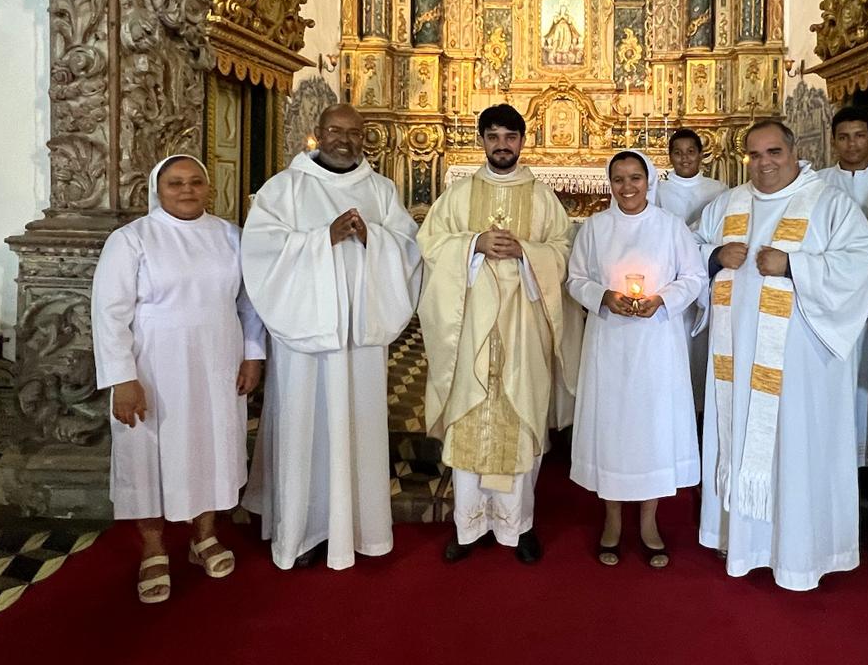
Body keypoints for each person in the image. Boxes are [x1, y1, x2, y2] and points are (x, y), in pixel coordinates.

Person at [696, 121, 868, 591]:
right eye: (754, 154)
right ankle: (744, 541)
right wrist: (715, 256)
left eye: (773, 152)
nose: (764, 163)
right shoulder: (727, 204)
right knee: (740, 437)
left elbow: (859, 264)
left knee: (797, 447)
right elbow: (686, 252)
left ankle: (800, 552)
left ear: (794, 152)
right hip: (737, 358)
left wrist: (793, 264)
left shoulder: (830, 204)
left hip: (801, 365)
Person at [240, 104, 421, 570]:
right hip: (306, 342)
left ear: (365, 138)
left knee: (357, 425)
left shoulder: (381, 190)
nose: (345, 140)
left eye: (354, 132)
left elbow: (409, 249)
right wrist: (323, 238)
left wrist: (373, 238)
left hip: (360, 340)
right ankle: (300, 532)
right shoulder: (285, 188)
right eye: (335, 131)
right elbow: (260, 253)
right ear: (317, 133)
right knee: (303, 425)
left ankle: (357, 528)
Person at [91, 155, 266, 603]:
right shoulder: (131, 239)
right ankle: (154, 547)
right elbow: (109, 314)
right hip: (153, 365)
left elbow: (249, 303)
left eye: (195, 182)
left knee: (212, 447)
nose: (187, 190)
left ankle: (204, 536)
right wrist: (122, 379)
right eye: (175, 183)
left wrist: (252, 355)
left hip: (218, 362)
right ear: (158, 189)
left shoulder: (230, 236)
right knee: (148, 452)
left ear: (208, 187)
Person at [417, 103, 575, 565]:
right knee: (470, 418)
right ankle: (468, 527)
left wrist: (527, 253)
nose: (502, 145)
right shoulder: (459, 194)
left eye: (510, 137)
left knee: (520, 419)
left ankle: (517, 526)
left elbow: (565, 250)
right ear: (482, 140)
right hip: (471, 327)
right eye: (493, 136)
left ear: (522, 141)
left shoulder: (542, 197)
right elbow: (429, 243)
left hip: (524, 328)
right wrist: (473, 244)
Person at [568, 150, 707, 568]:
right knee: (612, 427)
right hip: (610, 341)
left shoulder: (670, 226)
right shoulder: (595, 227)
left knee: (652, 428)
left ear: (649, 181)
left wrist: (661, 299)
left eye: (635, 178)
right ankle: (612, 519)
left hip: (657, 342)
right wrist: (603, 296)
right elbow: (575, 278)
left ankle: (648, 522)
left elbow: (694, 277)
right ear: (609, 183)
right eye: (619, 179)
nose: (627, 187)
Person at [818, 105, 868, 467]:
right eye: (844, 137)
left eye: (859, 136)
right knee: (832, 377)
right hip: (828, 296)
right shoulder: (817, 184)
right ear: (833, 141)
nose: (852, 144)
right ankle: (832, 458)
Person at [657, 128, 728, 409]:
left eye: (690, 152)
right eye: (678, 152)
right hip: (668, 275)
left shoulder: (719, 191)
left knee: (701, 346)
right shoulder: (659, 191)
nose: (684, 158)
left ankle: (701, 408)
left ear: (701, 155)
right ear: (670, 156)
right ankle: (675, 404)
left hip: (706, 273)